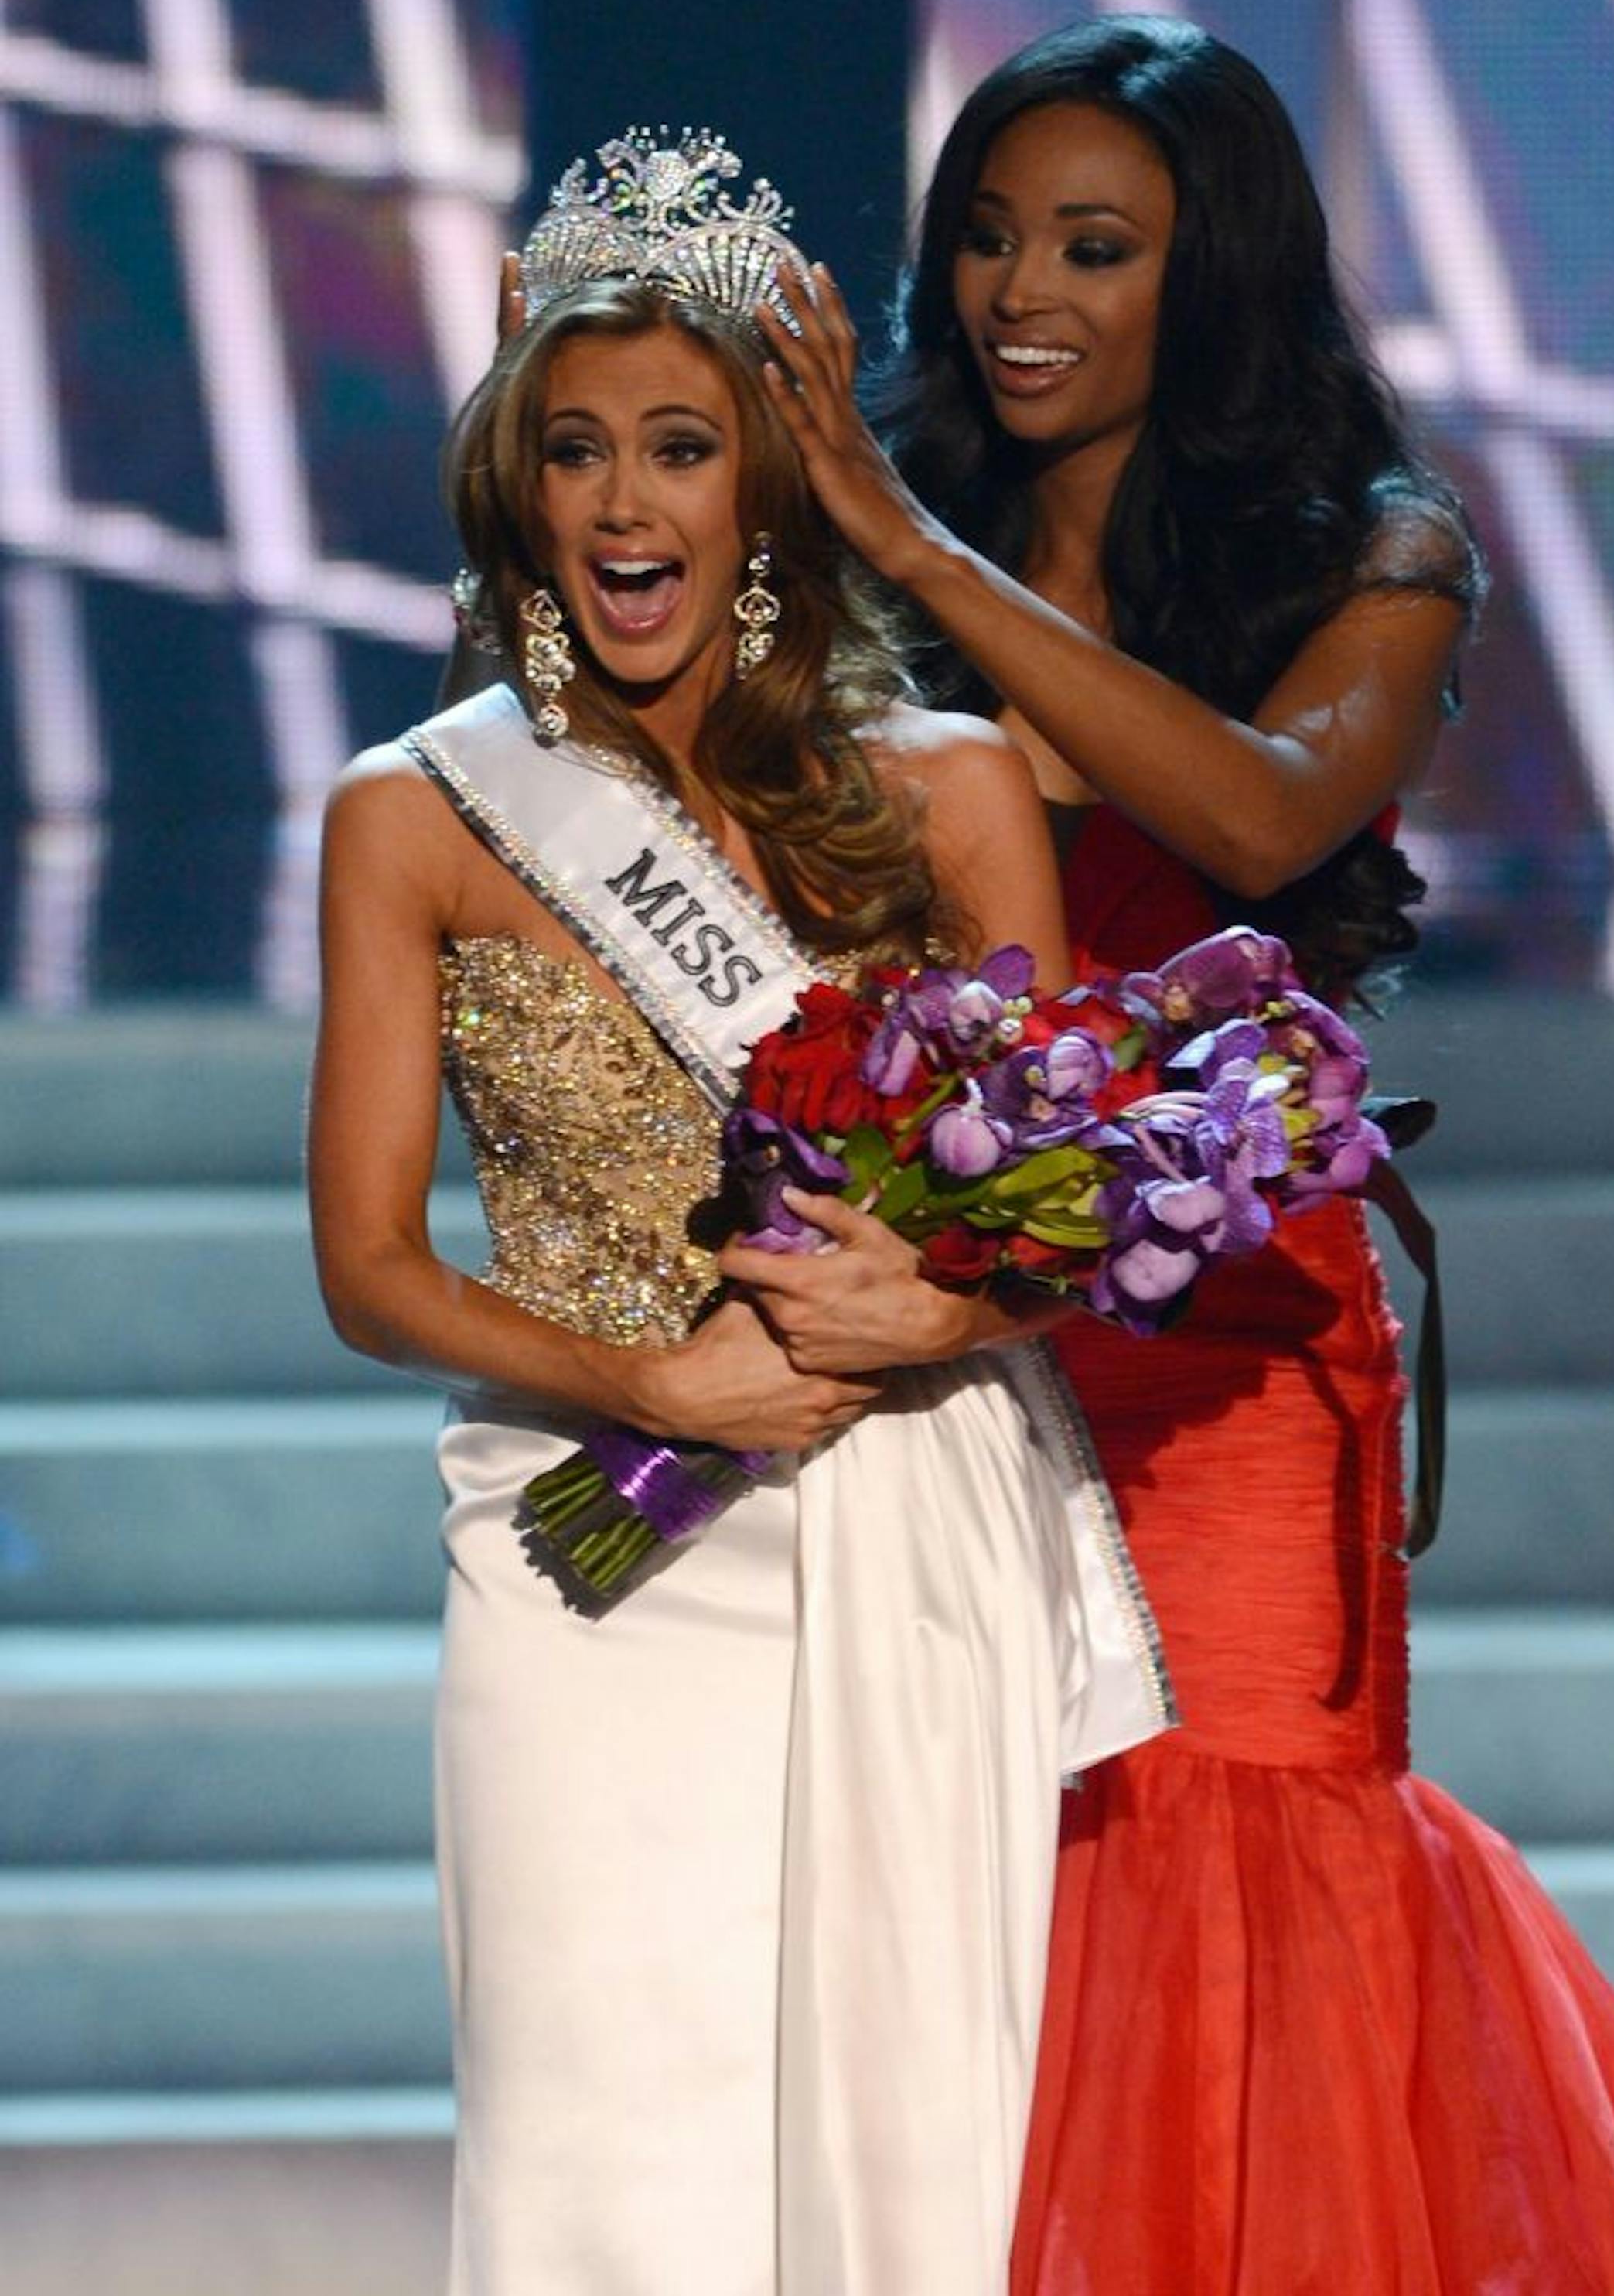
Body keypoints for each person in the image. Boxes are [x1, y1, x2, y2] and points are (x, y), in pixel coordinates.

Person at [746, 19, 1614, 2292]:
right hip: (940, 1338)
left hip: (1236, 1344)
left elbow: (1257, 813)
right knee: (984, 1898)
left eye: (1095, 244)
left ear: (1217, 270)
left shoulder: (1382, 550)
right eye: (984, 236)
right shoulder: (857, 552)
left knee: (1239, 1882)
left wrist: (907, 547)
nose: (1016, 292)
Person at [306, 128, 1169, 2296]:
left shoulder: (958, 787)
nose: (621, 505)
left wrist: (934, 1313)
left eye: (678, 448)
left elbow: (1052, 1216)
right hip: (587, 1544)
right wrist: (644, 1372)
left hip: (906, 1530)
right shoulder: (414, 817)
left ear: (760, 491)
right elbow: (373, 1265)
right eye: (575, 450)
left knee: (906, 2160)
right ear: (519, 491)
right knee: (601, 2148)